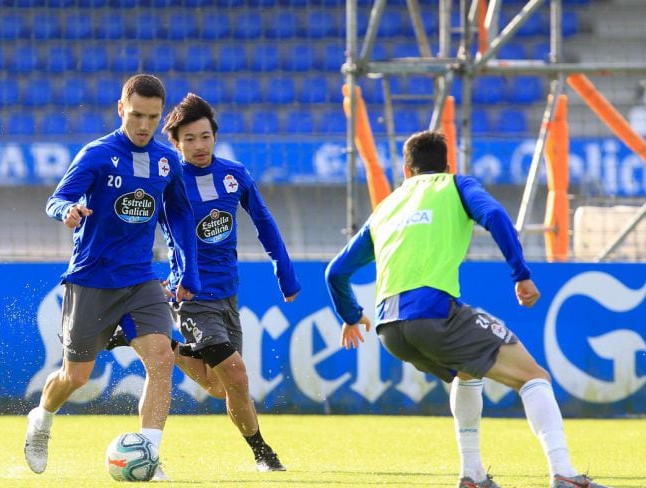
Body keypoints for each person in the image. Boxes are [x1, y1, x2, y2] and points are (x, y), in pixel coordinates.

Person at [324, 130, 607, 488]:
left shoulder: (387, 206)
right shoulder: (455, 185)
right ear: (447, 164)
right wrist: (521, 274)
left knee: (468, 373)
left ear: (407, 172)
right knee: (534, 377)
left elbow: (335, 271)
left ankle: (472, 475)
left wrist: (350, 316)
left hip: (389, 330)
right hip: (433, 315)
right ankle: (564, 473)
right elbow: (496, 216)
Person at [24, 74, 201, 481]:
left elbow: (178, 214)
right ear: (121, 109)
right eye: (136, 114)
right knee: (76, 377)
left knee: (161, 360)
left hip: (140, 280)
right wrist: (66, 211)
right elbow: (58, 197)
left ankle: (150, 456)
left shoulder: (166, 161)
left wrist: (187, 269)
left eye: (153, 117)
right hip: (91, 280)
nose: (143, 125)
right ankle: (42, 418)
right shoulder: (97, 154)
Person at [159, 93, 299, 472]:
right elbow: (136, 230)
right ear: (176, 143)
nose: (199, 145)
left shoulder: (234, 174)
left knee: (222, 386)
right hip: (190, 297)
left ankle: (168, 346)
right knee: (237, 373)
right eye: (189, 139)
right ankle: (263, 453)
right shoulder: (168, 182)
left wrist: (284, 272)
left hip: (227, 295)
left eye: (205, 136)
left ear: (215, 137)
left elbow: (264, 221)